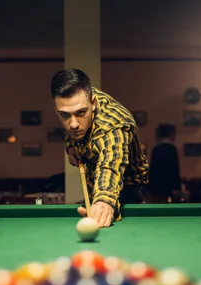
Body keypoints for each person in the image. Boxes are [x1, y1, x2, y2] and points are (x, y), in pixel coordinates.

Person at [51, 68, 149, 228]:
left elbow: (111, 165)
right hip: (92, 180)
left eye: (81, 113)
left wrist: (104, 200)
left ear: (93, 103)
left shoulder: (114, 126)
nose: (73, 124)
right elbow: (71, 129)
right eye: (64, 115)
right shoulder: (75, 102)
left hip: (127, 188)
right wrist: (71, 147)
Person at [148, 123, 181, 202]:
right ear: (171, 134)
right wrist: (177, 186)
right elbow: (175, 169)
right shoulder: (172, 149)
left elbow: (152, 169)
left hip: (156, 187)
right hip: (169, 186)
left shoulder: (156, 149)